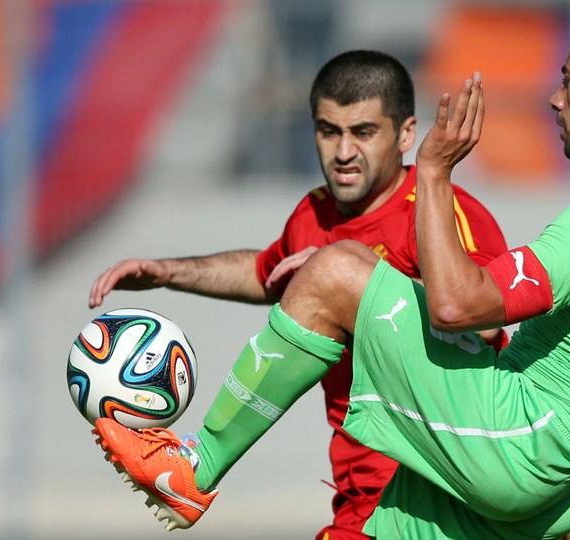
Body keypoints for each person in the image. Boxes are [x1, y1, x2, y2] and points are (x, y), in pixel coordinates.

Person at [92, 12, 570, 539]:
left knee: (336, 272)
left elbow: (459, 309)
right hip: (554, 479)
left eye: (567, 79)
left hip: (511, 445)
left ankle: (192, 468)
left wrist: (432, 170)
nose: (553, 98)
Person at [87, 50, 509, 539]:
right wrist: (167, 271)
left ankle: (193, 469)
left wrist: (350, 276)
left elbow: (485, 319)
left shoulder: (439, 212)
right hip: (364, 503)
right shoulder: (314, 214)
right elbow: (266, 273)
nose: (344, 151)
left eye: (363, 132)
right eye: (329, 131)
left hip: (449, 493)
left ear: (406, 135)